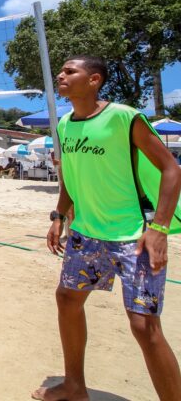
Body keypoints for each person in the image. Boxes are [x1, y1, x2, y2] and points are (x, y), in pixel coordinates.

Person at [32, 56, 181, 401]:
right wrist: (58, 216)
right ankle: (74, 386)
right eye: (61, 71)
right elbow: (69, 177)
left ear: (94, 79)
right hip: (85, 235)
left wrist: (158, 228)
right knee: (67, 300)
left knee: (145, 327)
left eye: (71, 71)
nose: (61, 75)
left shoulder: (124, 118)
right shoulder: (65, 124)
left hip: (133, 237)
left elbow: (172, 169)